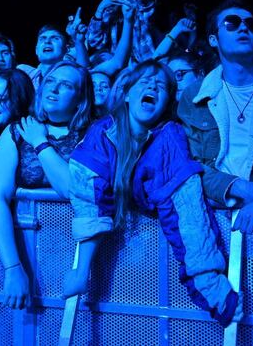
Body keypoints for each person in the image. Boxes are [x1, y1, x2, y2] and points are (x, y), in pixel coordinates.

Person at [64, 60, 240, 326]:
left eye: (161, 86)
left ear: (167, 102)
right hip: (113, 253)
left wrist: (210, 285)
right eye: (144, 81)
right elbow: (90, 199)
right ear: (127, 93)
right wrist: (81, 271)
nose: (152, 87)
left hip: (157, 257)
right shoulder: (102, 132)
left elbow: (186, 207)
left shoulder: (169, 137)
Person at [177, 0, 253, 234]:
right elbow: (191, 166)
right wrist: (240, 187)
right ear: (214, 39)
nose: (243, 28)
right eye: (231, 23)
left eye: (250, 24)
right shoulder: (194, 96)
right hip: (211, 220)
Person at [0, 61, 93, 309]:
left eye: (65, 85)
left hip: (76, 252)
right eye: (50, 82)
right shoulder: (17, 130)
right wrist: (12, 268)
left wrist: (40, 143)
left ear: (81, 98)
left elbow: (69, 189)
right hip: (24, 250)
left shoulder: (93, 133)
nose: (53, 89)